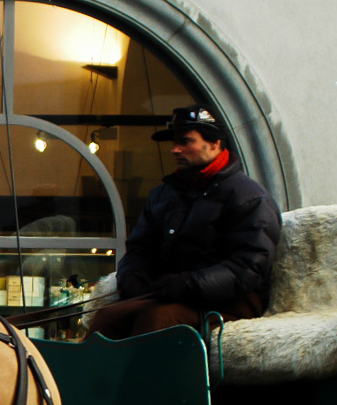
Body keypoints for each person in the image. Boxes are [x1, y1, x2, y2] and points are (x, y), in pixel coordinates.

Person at [87, 104, 282, 340]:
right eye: (174, 143)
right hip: (174, 295)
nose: (175, 150)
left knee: (159, 319)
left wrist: (189, 284)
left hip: (233, 300)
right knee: (108, 317)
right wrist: (132, 278)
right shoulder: (164, 195)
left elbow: (248, 268)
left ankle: (141, 378)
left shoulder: (249, 197)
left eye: (186, 141)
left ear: (215, 143)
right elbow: (140, 249)